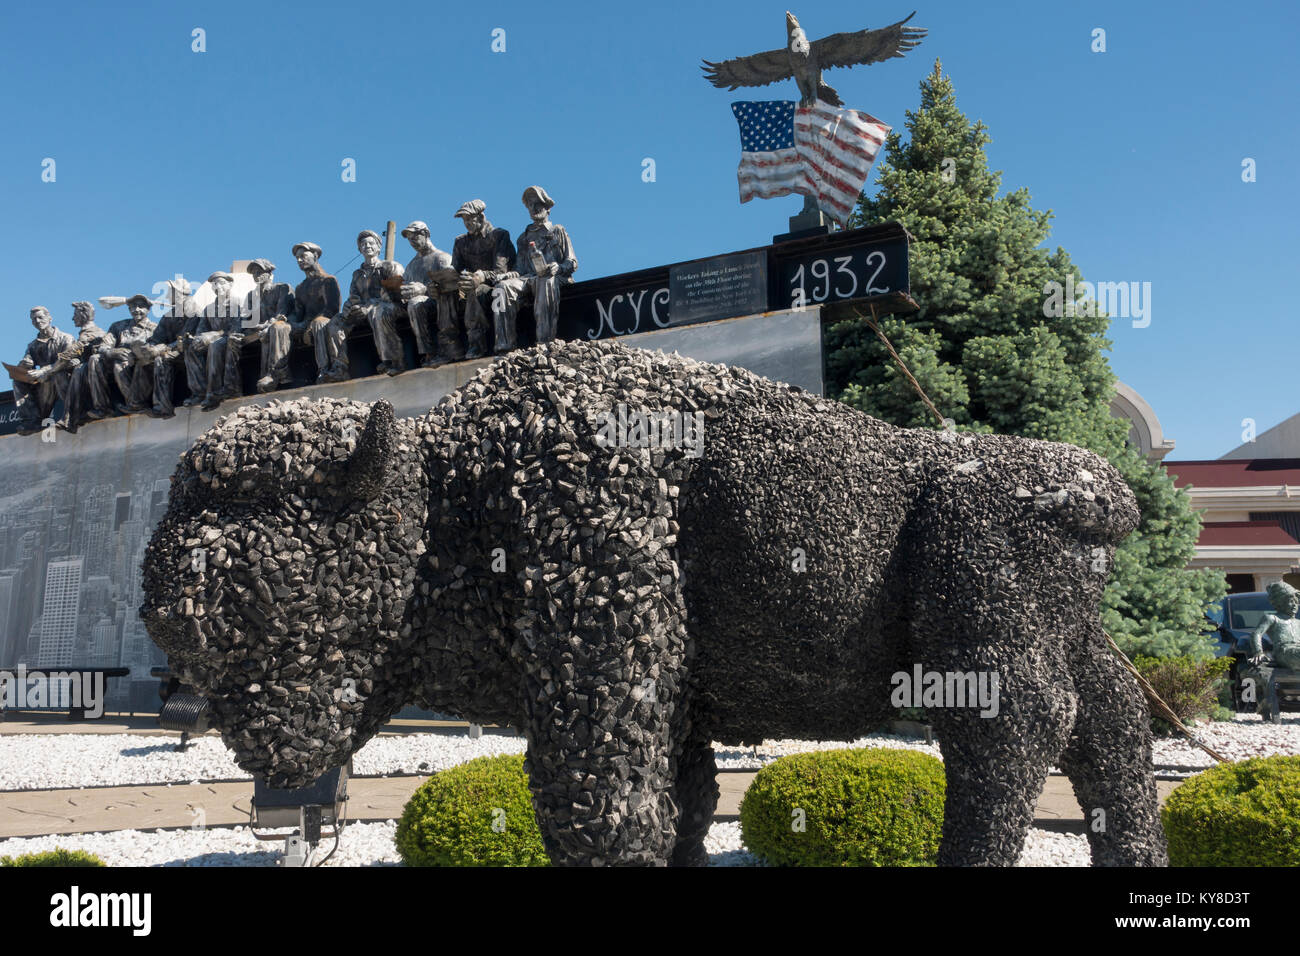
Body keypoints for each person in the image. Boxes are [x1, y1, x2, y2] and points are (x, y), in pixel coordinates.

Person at [492, 186, 577, 353]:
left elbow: (572, 262)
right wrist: (507, 275)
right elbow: (519, 269)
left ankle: (544, 343)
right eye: (530, 204)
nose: (534, 207)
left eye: (538, 203)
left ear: (547, 207)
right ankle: (504, 345)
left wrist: (558, 267)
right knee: (501, 288)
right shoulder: (523, 238)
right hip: (528, 279)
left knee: (545, 280)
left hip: (553, 278)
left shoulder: (558, 231)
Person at [331, 230, 406, 377]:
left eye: (371, 243)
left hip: (391, 307)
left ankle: (393, 361)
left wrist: (370, 306)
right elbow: (354, 296)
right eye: (363, 244)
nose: (367, 246)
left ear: (378, 247)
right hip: (365, 311)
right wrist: (351, 307)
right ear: (359, 250)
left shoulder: (390, 267)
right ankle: (340, 367)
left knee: (378, 312)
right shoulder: (357, 274)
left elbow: (398, 294)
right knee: (336, 322)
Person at [451, 200, 515, 359]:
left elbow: (501, 272)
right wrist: (445, 280)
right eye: (464, 220)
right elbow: (454, 271)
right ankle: (448, 348)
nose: (466, 223)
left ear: (481, 217)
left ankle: (476, 345)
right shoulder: (460, 242)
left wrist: (482, 276)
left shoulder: (499, 235)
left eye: (470, 219)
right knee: (448, 294)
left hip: (496, 286)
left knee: (476, 291)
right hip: (469, 287)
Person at [398, 221, 457, 367]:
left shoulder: (442, 258)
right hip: (416, 309)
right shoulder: (411, 266)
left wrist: (423, 290)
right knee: (412, 303)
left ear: (426, 234)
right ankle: (426, 353)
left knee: (416, 303)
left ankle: (434, 351)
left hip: (440, 303)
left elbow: (450, 284)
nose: (412, 241)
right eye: (409, 238)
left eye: (415, 236)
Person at [11, 306, 76, 435]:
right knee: (18, 380)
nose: (38, 321)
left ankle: (70, 415)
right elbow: (24, 366)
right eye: (34, 319)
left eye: (40, 317)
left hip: (64, 379)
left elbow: (66, 361)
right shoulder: (33, 345)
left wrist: (44, 371)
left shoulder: (65, 338)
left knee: (58, 374)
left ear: (49, 318)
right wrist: (24, 365)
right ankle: (31, 420)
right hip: (44, 382)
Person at [236, 258, 295, 393]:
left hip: (278, 327)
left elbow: (282, 314)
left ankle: (273, 374)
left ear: (269, 273)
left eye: (259, 271)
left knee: (271, 330)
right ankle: (231, 385)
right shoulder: (251, 295)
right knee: (231, 341)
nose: (256, 275)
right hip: (257, 330)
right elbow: (245, 318)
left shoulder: (282, 288)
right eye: (254, 273)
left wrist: (265, 326)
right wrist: (236, 331)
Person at [288, 242, 342, 383]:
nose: (299, 260)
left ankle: (325, 369)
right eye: (297, 258)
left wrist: (310, 324)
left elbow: (331, 309)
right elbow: (298, 313)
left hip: (323, 323)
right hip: (305, 325)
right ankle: (278, 373)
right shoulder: (300, 288)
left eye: (303, 256)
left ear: (315, 255)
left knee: (319, 323)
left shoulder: (328, 281)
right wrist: (291, 322)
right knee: (280, 328)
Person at [58, 301, 116, 432]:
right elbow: (75, 355)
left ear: (84, 314)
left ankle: (71, 416)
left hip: (99, 371)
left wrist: (47, 371)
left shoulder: (93, 333)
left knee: (79, 369)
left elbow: (70, 353)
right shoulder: (84, 333)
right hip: (87, 372)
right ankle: (75, 413)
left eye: (75, 315)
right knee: (61, 373)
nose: (73, 318)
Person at [102, 294, 160, 413]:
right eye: (133, 307)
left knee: (142, 363)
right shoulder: (118, 326)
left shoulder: (156, 329)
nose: (136, 310)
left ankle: (136, 403)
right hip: (121, 361)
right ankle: (131, 404)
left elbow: (159, 347)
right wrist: (112, 352)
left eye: (141, 306)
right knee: (115, 363)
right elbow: (103, 346)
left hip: (144, 362)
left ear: (148, 309)